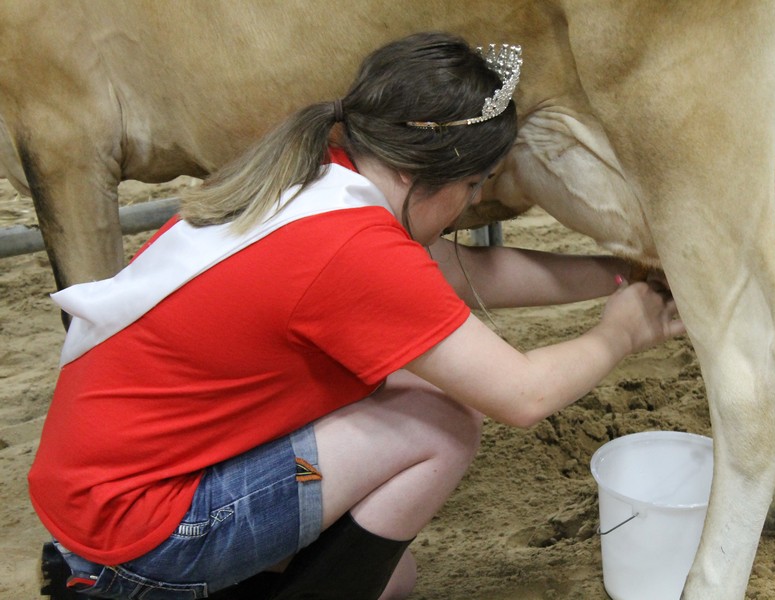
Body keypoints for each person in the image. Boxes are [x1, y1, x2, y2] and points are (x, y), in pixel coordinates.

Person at [29, 32, 684, 600]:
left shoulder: (322, 173)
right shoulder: (353, 250)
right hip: (137, 535)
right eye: (475, 189)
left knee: (388, 578)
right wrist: (621, 332)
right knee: (439, 420)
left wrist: (619, 272)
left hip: (97, 499)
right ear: (443, 176)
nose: (470, 207)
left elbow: (450, 276)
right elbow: (524, 394)